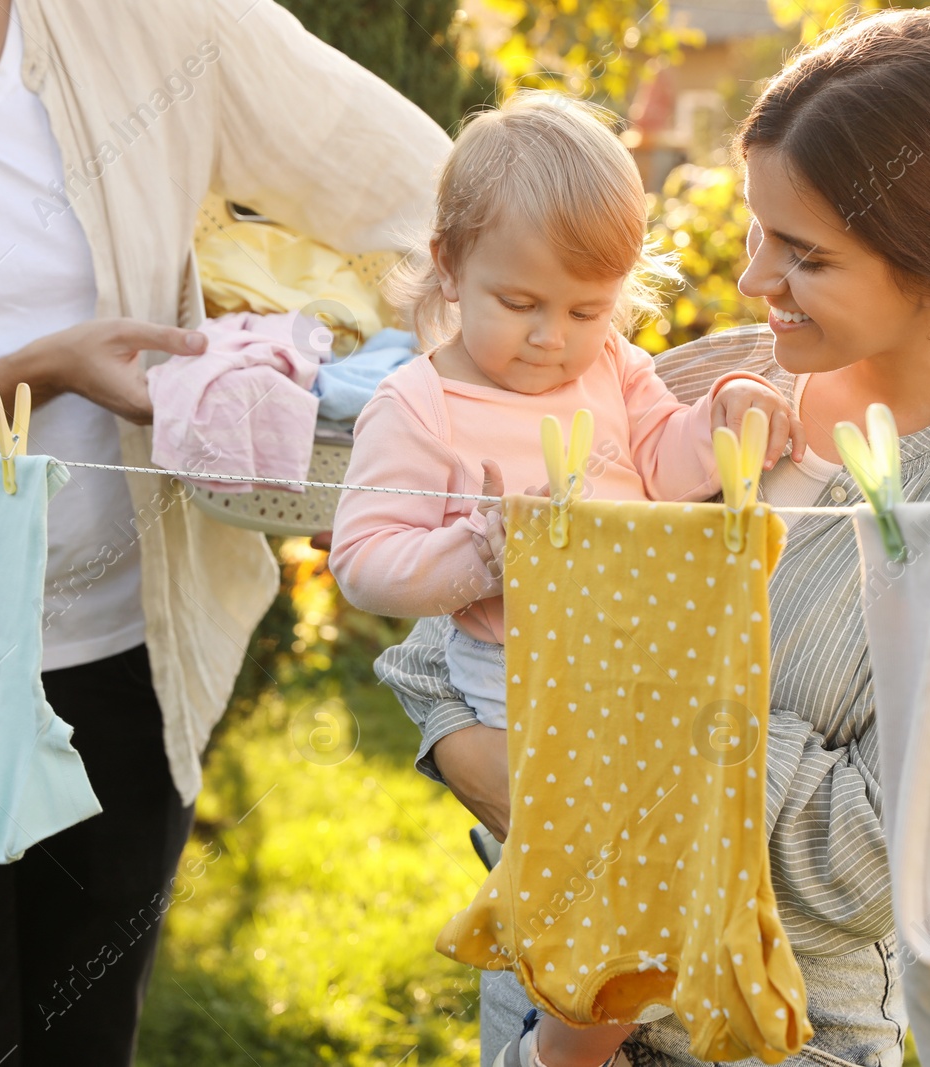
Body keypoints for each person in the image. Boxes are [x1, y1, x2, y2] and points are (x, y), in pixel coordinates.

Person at [372, 9, 930, 1066]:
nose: (754, 278)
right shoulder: (713, 379)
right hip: (544, 985)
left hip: (770, 1037)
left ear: (929, 259)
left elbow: (867, 860)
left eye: (802, 253)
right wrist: (482, 752)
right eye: (760, 228)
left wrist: (626, 730)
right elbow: (446, 636)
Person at [0, 0, 448, 1063]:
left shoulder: (159, 23)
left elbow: (438, 200)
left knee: (85, 1038)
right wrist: (43, 370)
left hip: (132, 654)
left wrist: (420, 382)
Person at [329, 90, 799, 1067]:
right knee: (590, 870)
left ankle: (602, 1017)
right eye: (520, 304)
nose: (552, 337)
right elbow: (363, 563)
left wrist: (724, 415)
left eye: (587, 309)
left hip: (633, 662)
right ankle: (564, 1042)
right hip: (516, 676)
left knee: (651, 852)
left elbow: (668, 464)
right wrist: (477, 554)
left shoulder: (612, 368)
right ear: (453, 266)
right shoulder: (419, 406)